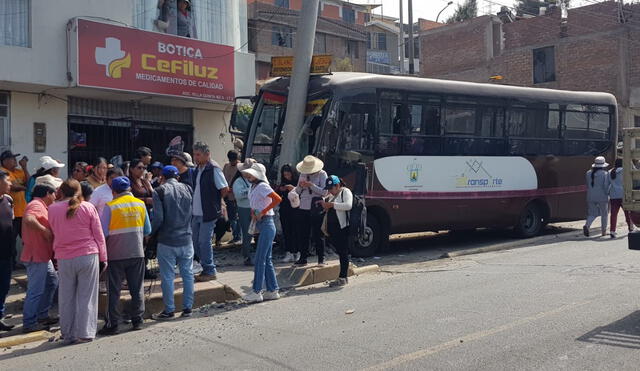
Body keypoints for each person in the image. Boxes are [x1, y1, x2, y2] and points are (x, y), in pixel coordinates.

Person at [49, 179, 107, 345]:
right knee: (87, 296)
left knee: (66, 296)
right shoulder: (88, 207)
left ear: (61, 191)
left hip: (64, 257)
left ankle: (68, 333)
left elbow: (54, 231)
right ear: (79, 191)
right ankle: (85, 333)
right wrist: (104, 257)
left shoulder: (52, 209)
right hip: (88, 255)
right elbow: (98, 235)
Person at [98, 177, 151, 335]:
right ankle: (137, 320)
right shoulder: (140, 204)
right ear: (129, 189)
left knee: (114, 291)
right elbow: (147, 230)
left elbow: (103, 233)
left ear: (113, 192)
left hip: (115, 255)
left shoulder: (110, 206)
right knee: (137, 288)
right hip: (136, 253)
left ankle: (113, 324)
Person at [151, 166, 195, 320]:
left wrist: (150, 234)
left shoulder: (159, 191)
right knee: (188, 275)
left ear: (162, 176)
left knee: (168, 276)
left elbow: (158, 219)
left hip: (167, 240)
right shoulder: (188, 189)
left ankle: (169, 310)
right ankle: (188, 308)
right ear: (177, 177)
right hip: (186, 238)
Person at [240, 163, 282, 303]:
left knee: (260, 259)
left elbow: (277, 198)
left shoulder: (262, 186)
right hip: (263, 223)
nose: (248, 175)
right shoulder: (254, 186)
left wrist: (262, 211)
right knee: (266, 259)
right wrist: (255, 212)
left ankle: (257, 291)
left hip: (266, 222)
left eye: (251, 174)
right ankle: (272, 289)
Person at [20, 183, 59, 333]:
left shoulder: (41, 205)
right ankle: (29, 323)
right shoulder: (36, 204)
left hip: (42, 255)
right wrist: (44, 230)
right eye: (54, 193)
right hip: (35, 256)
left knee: (51, 282)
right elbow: (29, 219)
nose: (55, 197)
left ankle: (42, 315)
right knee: (35, 290)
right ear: (48, 193)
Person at [192, 142, 229, 282]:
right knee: (195, 241)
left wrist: (216, 202)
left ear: (207, 154)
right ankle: (205, 267)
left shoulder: (213, 169)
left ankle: (209, 270)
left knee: (204, 242)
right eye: (194, 154)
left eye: (198, 155)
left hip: (208, 213)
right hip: (196, 212)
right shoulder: (198, 169)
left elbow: (224, 189)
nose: (196, 157)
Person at [294, 155, 328, 266]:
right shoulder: (303, 174)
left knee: (318, 234)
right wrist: (300, 186)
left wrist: (311, 185)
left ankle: (321, 258)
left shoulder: (322, 174)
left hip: (316, 207)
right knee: (303, 234)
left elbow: (324, 192)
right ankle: (303, 258)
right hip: (303, 207)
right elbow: (297, 191)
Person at [320, 176, 353, 287]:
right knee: (340, 252)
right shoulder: (331, 195)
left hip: (342, 228)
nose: (329, 191)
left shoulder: (345, 192)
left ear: (338, 185)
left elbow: (348, 205)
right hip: (333, 229)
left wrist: (332, 205)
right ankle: (342, 276)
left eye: (331, 188)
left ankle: (343, 277)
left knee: (343, 253)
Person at [0, 150, 29, 268]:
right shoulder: (3, 172)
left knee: (27, 239)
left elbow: (28, 180)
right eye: (12, 158)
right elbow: (14, 187)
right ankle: (11, 264)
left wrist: (25, 167)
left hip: (22, 211)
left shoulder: (18, 171)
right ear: (5, 161)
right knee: (10, 240)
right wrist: (25, 187)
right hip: (11, 212)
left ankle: (27, 260)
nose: (15, 160)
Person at [234, 159, 257, 266]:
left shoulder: (255, 180)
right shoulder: (238, 181)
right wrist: (251, 191)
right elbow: (238, 195)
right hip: (244, 209)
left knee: (257, 232)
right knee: (247, 233)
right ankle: (247, 256)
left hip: (255, 208)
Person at [0, 170, 15, 331]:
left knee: (4, 287)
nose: (10, 183)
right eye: (7, 181)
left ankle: (0, 317)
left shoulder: (8, 200)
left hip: (6, 253)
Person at [277, 164, 300, 263]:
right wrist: (280, 190)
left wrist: (293, 189)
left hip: (296, 209)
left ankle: (298, 252)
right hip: (285, 209)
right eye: (285, 175)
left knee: (296, 231)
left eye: (288, 174)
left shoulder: (298, 182)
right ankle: (289, 252)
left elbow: (302, 193)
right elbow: (277, 195)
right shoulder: (283, 183)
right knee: (286, 231)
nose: (287, 177)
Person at [584, 156, 611, 237]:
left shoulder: (588, 173)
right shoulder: (605, 174)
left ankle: (587, 225)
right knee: (604, 214)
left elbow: (587, 185)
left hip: (590, 196)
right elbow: (606, 186)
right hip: (602, 196)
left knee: (592, 213)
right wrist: (608, 194)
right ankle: (603, 231)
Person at [609, 158, 633, 238]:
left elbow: (607, 184)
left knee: (613, 214)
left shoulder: (610, 172)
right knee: (627, 213)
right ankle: (630, 228)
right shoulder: (625, 171)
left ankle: (612, 230)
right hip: (624, 195)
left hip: (613, 196)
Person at [223, 150, 241, 244]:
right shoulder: (226, 166)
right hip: (228, 196)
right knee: (231, 218)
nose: (232, 162)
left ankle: (238, 237)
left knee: (237, 218)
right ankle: (236, 236)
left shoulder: (241, 167)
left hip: (238, 196)